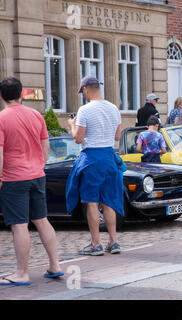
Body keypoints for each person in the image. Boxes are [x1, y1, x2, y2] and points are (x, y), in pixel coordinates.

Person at [0, 77, 63, 286]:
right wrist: (38, 166)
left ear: (1, 96)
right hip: (37, 175)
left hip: (13, 178)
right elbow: (46, 148)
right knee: (42, 220)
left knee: (19, 226)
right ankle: (55, 265)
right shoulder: (37, 115)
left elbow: (0, 153)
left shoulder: (2, 118)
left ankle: (21, 273)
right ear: (21, 94)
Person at [67, 76, 123, 255]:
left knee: (91, 201)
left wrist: (71, 125)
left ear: (85, 89)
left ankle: (95, 244)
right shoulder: (114, 108)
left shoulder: (84, 110)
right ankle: (113, 242)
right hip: (109, 156)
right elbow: (117, 136)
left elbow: (78, 138)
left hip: (92, 158)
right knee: (108, 201)